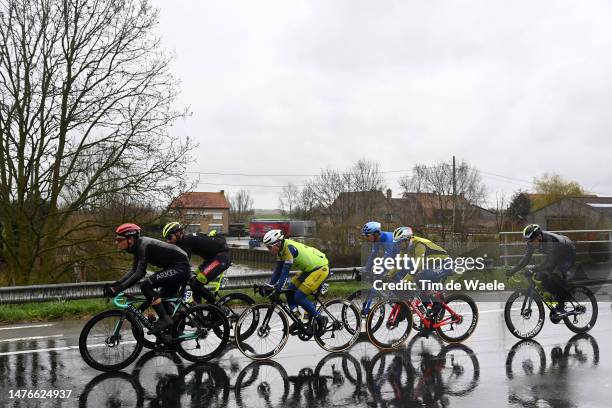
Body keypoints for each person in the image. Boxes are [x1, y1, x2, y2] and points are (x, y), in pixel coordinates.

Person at [105, 223, 191, 334]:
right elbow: (133, 270)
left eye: (119, 240)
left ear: (130, 239)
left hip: (181, 267)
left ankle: (165, 319)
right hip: (174, 267)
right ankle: (173, 334)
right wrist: (116, 284)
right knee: (163, 299)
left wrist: (118, 289)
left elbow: (140, 273)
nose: (116, 242)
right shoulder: (137, 247)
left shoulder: (143, 245)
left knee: (146, 285)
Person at [262, 229, 329, 336]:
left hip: (320, 268)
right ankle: (300, 320)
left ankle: (320, 319)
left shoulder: (289, 249)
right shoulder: (281, 251)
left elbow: (285, 272)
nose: (268, 250)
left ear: (278, 244)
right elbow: (278, 270)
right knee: (289, 292)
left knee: (299, 297)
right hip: (308, 269)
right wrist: (270, 285)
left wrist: (278, 290)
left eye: (269, 247)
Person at [506, 224, 576, 316]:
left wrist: (533, 269)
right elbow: (526, 259)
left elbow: (550, 263)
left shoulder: (549, 241)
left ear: (539, 236)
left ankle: (561, 306)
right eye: (528, 241)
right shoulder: (532, 242)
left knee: (556, 276)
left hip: (567, 253)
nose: (530, 243)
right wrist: (512, 271)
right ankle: (558, 296)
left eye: (531, 240)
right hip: (555, 255)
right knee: (540, 277)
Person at [162, 222, 231, 304]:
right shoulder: (184, 241)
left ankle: (218, 306)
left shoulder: (186, 241)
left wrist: (180, 290)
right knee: (193, 281)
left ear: (178, 233)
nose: (168, 241)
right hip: (212, 258)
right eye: (166, 238)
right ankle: (198, 310)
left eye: (169, 237)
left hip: (221, 257)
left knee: (196, 284)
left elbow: (184, 264)